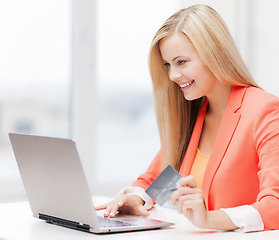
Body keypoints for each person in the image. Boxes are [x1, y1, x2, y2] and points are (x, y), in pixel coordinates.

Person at [96, 4, 279, 232]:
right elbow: (157, 181)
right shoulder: (195, 114)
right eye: (167, 65)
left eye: (181, 62)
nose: (173, 75)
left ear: (215, 53)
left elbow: (275, 205)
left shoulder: (265, 110)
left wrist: (209, 219)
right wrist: (136, 199)